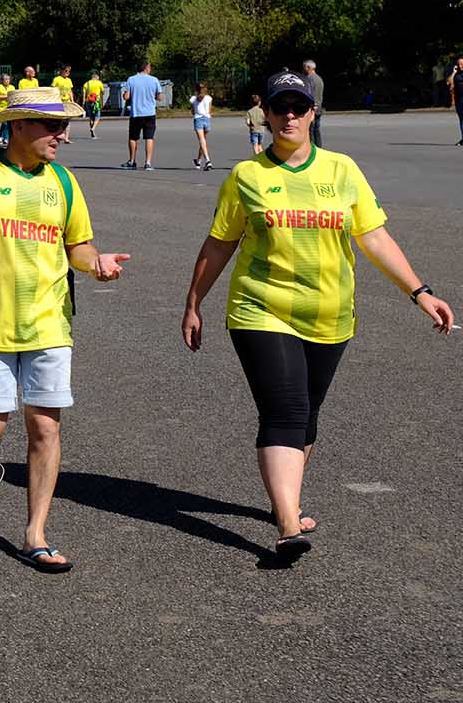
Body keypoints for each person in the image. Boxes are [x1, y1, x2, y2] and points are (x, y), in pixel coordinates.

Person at [180, 69, 453, 558]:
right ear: (264, 112)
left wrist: (421, 291)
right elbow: (221, 243)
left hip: (330, 314)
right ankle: (287, 524)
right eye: (279, 107)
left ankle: (288, 499)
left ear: (312, 113)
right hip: (260, 309)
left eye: (298, 108)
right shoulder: (247, 177)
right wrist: (194, 302)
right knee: (284, 410)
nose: (288, 115)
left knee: (306, 415)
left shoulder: (342, 171)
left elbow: (373, 236)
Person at [0, 87, 128, 574]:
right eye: (50, 125)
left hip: (49, 324)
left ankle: (34, 534)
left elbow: (78, 246)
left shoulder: (62, 182)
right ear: (18, 126)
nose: (61, 135)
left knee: (45, 425)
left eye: (63, 126)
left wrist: (95, 263)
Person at [122, 62, 163, 170]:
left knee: (133, 137)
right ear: (146, 68)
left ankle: (132, 161)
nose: (150, 69)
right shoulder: (154, 80)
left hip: (136, 113)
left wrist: (125, 95)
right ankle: (148, 163)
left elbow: (126, 96)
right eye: (150, 67)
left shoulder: (131, 79)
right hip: (150, 113)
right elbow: (160, 97)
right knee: (149, 137)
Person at [190, 81, 215, 171]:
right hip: (207, 119)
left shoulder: (193, 99)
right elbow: (209, 110)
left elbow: (192, 111)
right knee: (203, 141)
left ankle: (208, 161)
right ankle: (198, 160)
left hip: (198, 119)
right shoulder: (208, 98)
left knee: (202, 140)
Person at [302, 60, 326, 146]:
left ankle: (311, 149)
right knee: (316, 130)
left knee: (310, 131)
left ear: (309, 67)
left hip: (312, 108)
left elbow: (309, 94)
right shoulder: (319, 79)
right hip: (318, 108)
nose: (303, 68)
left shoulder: (309, 79)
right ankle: (319, 148)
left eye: (304, 66)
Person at [245, 92, 269, 157]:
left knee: (255, 145)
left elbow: (248, 122)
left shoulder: (249, 111)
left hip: (254, 130)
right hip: (261, 130)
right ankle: (262, 157)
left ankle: (257, 157)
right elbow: (266, 119)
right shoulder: (262, 111)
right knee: (260, 145)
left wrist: (250, 125)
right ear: (259, 102)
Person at [81, 73, 104, 140]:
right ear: (96, 77)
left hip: (88, 101)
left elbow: (84, 94)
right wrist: (101, 101)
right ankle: (93, 128)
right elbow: (103, 92)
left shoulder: (86, 84)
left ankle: (92, 134)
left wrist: (83, 103)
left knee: (91, 117)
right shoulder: (99, 83)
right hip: (96, 102)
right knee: (97, 117)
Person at [448, 56, 463, 147]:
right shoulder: (456, 75)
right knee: (461, 120)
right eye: (459, 64)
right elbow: (448, 82)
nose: (461, 65)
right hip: (459, 101)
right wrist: (453, 72)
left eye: (462, 63)